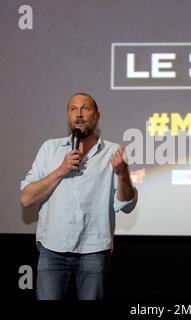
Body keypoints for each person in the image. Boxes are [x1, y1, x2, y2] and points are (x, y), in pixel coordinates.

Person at [20, 92, 137, 300]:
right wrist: (61, 170)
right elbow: (26, 198)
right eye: (73, 109)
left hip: (94, 250)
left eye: (85, 108)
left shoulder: (112, 152)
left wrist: (122, 173)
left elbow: (127, 204)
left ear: (97, 115)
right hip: (52, 249)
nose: (79, 114)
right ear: (68, 116)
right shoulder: (50, 149)